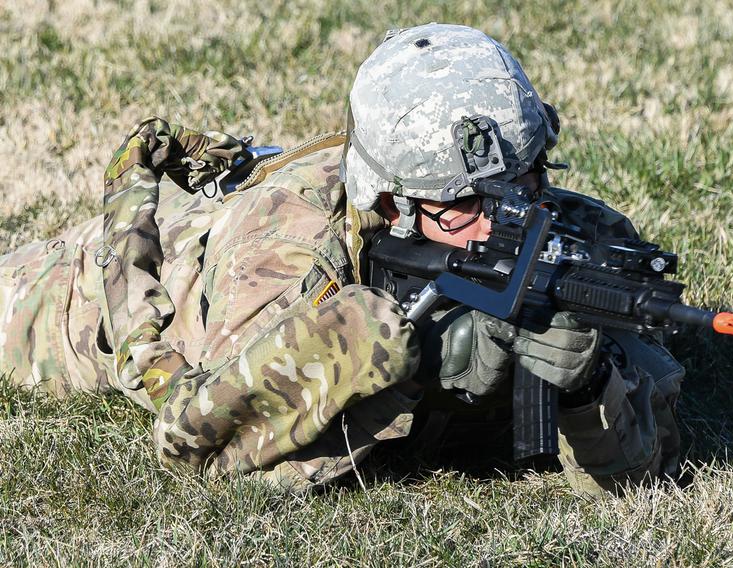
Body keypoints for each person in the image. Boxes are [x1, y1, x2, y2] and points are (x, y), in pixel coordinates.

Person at [0, 24, 684, 496]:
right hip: (79, 296)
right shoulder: (286, 263)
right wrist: (408, 373)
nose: (509, 219)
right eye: (466, 204)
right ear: (391, 207)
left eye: (527, 180)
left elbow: (651, 440)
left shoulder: (574, 238)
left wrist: (589, 388)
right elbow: (198, 448)